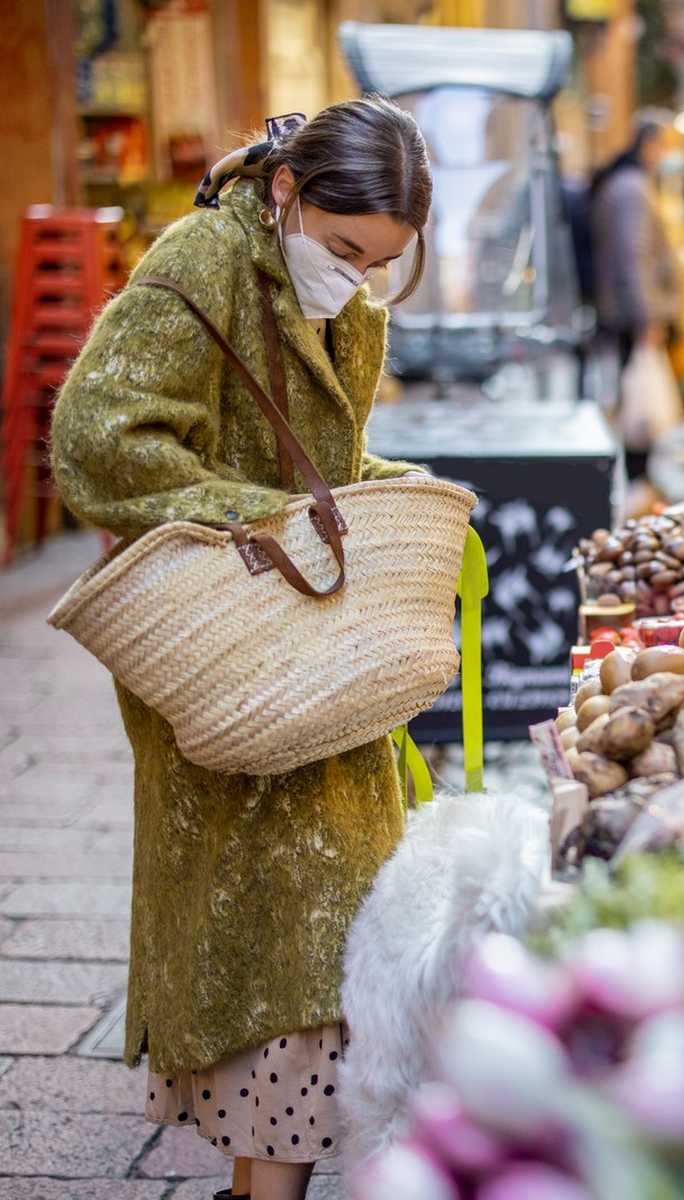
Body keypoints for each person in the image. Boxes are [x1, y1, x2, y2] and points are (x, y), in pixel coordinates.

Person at [49, 97, 431, 1200]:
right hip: (226, 645)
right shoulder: (200, 260)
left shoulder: (343, 302)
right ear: (284, 192)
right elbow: (98, 437)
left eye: (383, 262)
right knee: (284, 932)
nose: (357, 277)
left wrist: (384, 493)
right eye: (345, 247)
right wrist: (264, 519)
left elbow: (322, 451)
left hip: (320, 642)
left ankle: (269, 1185)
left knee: (334, 922)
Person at [590, 110, 684, 478]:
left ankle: (639, 480)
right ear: (650, 143)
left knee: (634, 400)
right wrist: (648, 317)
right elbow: (634, 256)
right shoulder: (632, 188)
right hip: (631, 312)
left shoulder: (626, 183)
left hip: (625, 308)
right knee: (637, 410)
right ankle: (638, 481)